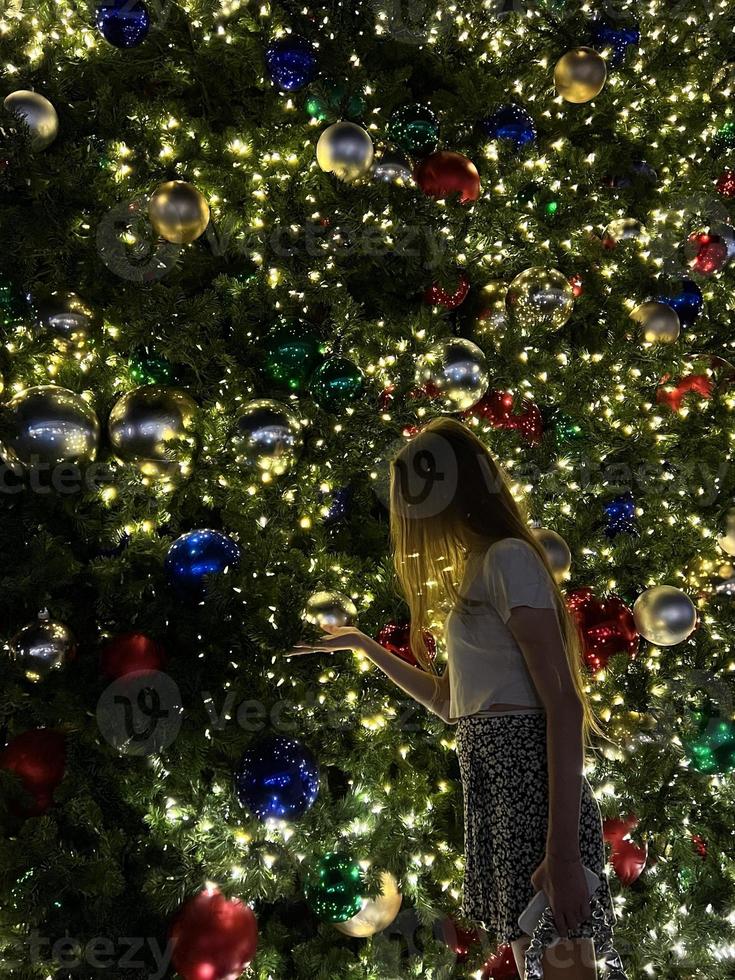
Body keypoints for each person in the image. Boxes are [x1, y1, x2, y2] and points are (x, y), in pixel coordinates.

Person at [289, 417, 617, 977]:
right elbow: (451, 704)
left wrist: (561, 853)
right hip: (495, 786)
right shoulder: (479, 569)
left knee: (563, 964)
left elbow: (563, 704)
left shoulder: (508, 559)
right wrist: (366, 647)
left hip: (531, 790)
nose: (412, 522)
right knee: (540, 963)